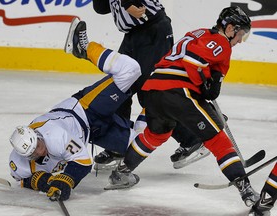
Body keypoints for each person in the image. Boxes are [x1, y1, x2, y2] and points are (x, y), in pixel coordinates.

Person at [104, 6, 259, 207]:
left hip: (153, 89)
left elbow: (181, 58)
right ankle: (246, 190)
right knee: (217, 139)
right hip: (177, 91)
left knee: (155, 135)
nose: (239, 41)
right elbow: (194, 61)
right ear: (229, 28)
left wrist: (207, 83)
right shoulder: (221, 41)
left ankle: (121, 173)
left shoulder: (197, 33)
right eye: (240, 35)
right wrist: (204, 85)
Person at [8, 17, 141, 201]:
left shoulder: (53, 136)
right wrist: (43, 181)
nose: (39, 151)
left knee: (131, 70)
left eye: (38, 145)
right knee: (140, 144)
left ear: (37, 134)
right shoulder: (18, 162)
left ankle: (83, 48)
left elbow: (83, 162)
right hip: (92, 132)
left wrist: (65, 180)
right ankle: (157, 110)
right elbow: (24, 180)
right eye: (33, 154)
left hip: (85, 109)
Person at [92, 0, 208, 169]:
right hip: (134, 35)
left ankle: (192, 138)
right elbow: (101, 8)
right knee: (119, 88)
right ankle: (118, 145)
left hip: (153, 31)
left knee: (153, 93)